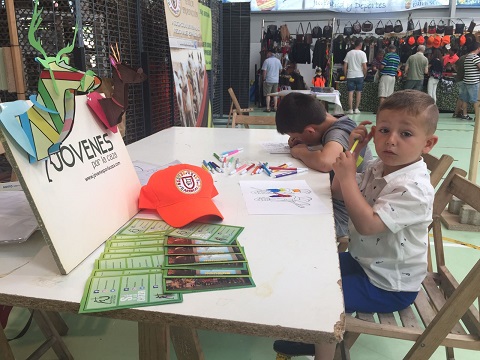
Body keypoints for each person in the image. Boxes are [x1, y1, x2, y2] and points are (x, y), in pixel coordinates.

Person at [274, 90, 439, 360]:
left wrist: (349, 176)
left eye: (406, 134)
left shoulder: (414, 188)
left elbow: (367, 225)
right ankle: (319, 338)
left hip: (389, 285)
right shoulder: (378, 167)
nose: (391, 141)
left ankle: (323, 352)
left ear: (428, 143)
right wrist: (356, 151)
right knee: (313, 266)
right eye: (384, 130)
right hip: (366, 263)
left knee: (322, 296)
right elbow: (339, 191)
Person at [275, 92, 372, 240]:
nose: (296, 140)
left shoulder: (339, 132)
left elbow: (325, 162)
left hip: (345, 211)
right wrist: (302, 142)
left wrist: (300, 152)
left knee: (290, 226)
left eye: (298, 136)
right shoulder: (334, 120)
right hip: (337, 195)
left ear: (310, 130)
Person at [343, 38, 367, 114]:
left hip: (350, 75)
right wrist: (365, 74)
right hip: (359, 75)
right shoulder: (363, 54)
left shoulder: (349, 53)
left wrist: (345, 74)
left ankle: (350, 109)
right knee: (358, 92)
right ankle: (356, 109)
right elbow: (364, 67)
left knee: (350, 92)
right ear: (360, 45)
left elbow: (345, 65)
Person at [459, 41, 480, 120]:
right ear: (478, 48)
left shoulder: (467, 57)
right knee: (476, 100)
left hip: (466, 81)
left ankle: (465, 115)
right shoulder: (475, 57)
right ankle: (477, 117)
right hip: (474, 82)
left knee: (465, 99)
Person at [453, 52, 468, 118]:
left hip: (459, 78)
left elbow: (454, 65)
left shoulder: (461, 57)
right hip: (464, 79)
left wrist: (458, 71)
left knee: (461, 96)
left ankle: (457, 112)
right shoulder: (470, 58)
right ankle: (461, 113)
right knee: (463, 96)